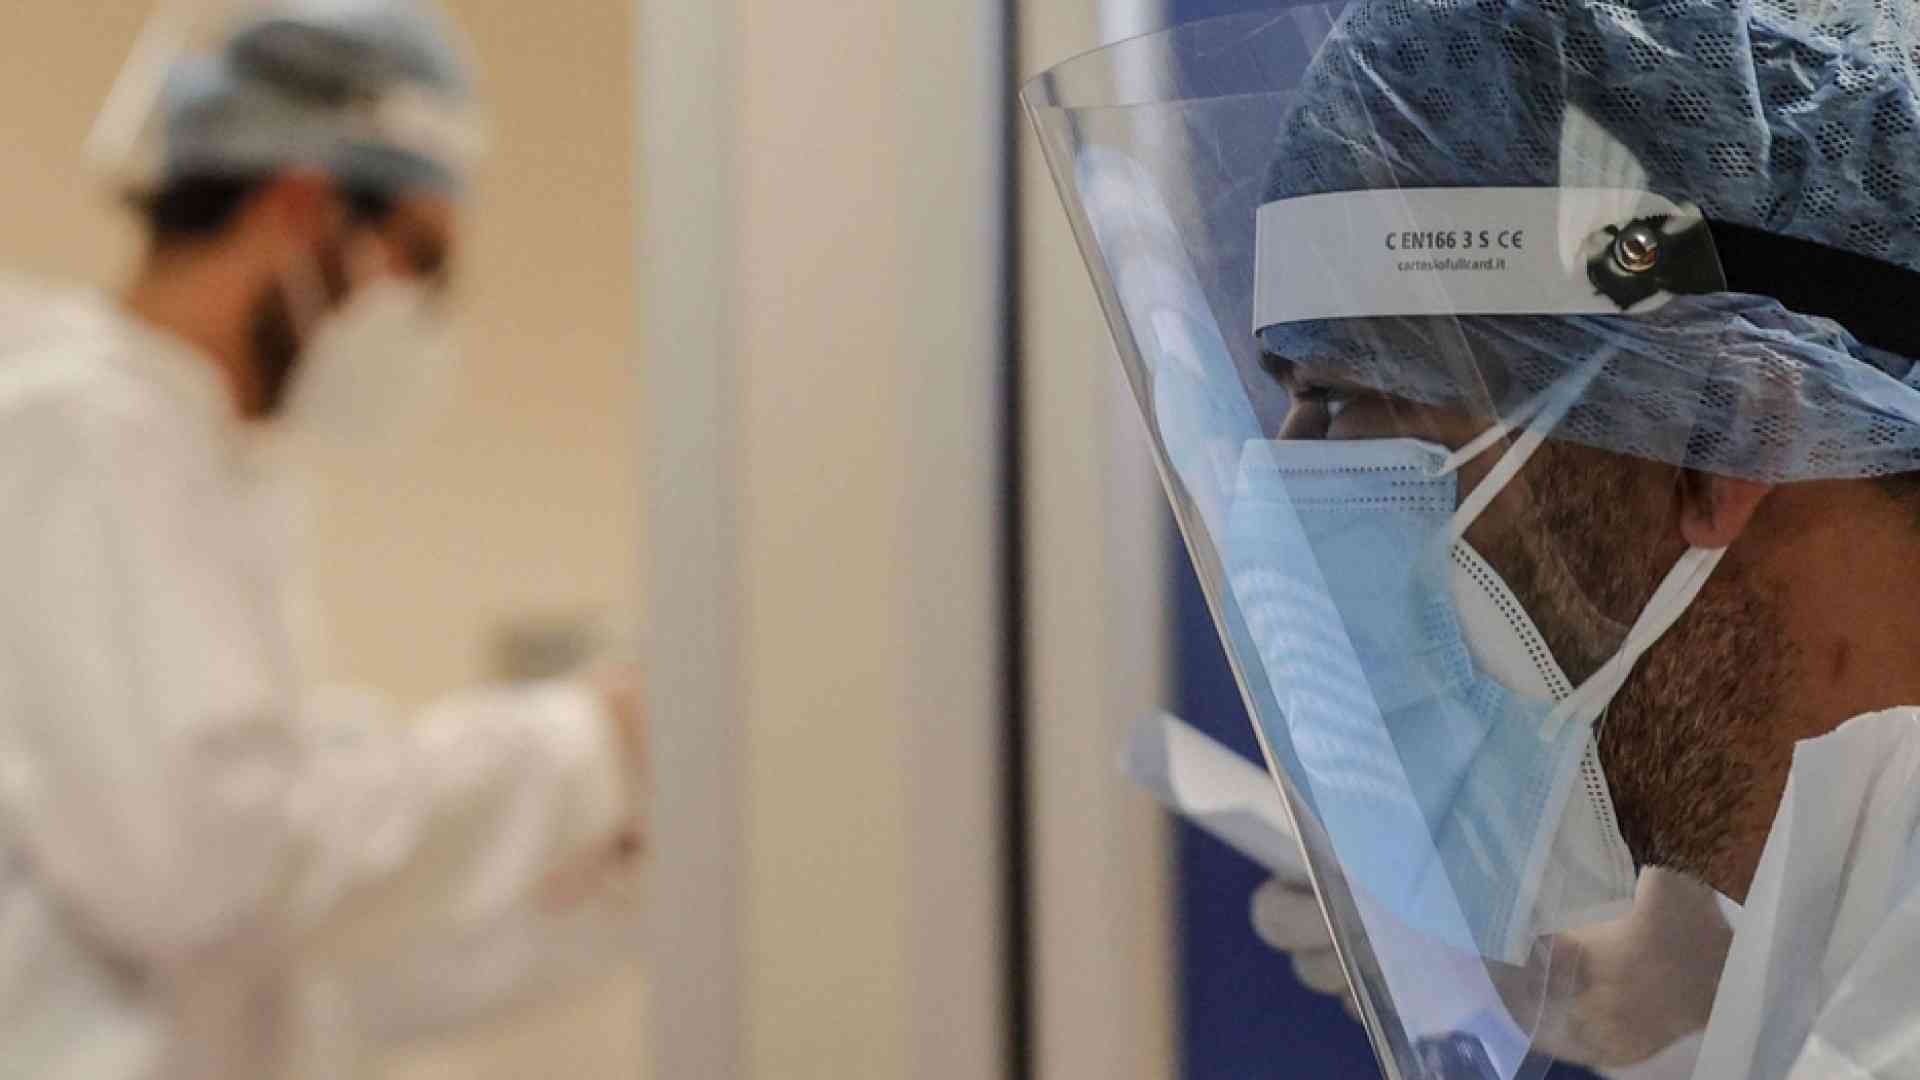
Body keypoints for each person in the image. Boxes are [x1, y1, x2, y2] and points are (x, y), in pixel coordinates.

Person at [1028, 0, 1920, 1076]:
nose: (1289, 498)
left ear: (1726, 428)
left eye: (1344, 402)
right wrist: (1685, 1029)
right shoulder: (1852, 943)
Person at [0, 2, 646, 1076]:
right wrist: (584, 741)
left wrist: (603, 872)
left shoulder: (194, 462)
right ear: (304, 209)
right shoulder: (75, 428)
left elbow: (285, 949)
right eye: (421, 258)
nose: (426, 312)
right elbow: (200, 865)